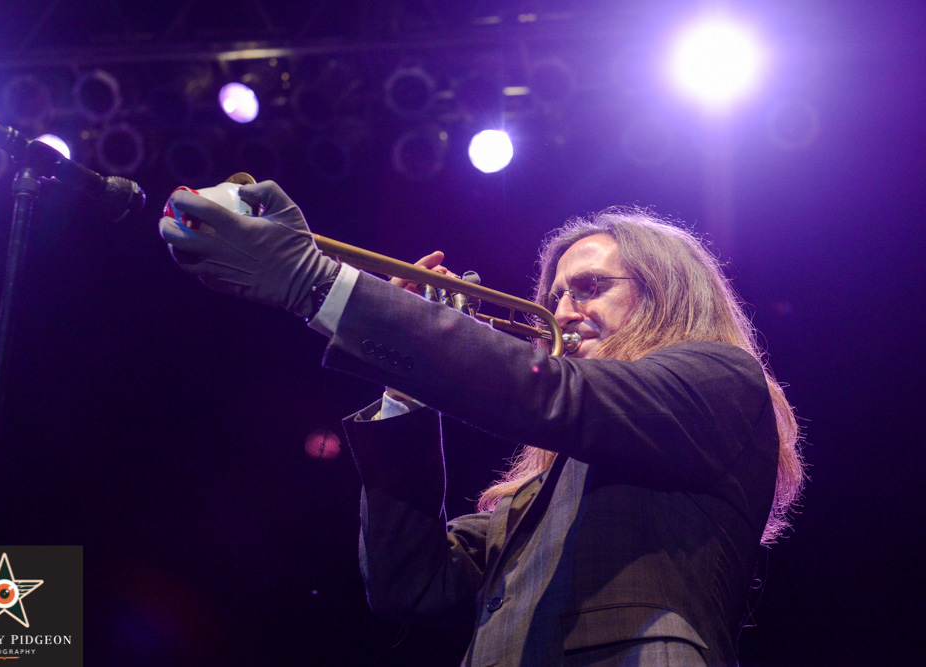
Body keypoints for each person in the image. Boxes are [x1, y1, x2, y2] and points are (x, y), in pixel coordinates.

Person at [159, 181, 804, 666]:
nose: (560, 310)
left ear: (665, 291)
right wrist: (404, 386)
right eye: (555, 295)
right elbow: (410, 586)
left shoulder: (720, 381)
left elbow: (554, 395)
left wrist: (317, 283)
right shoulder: (542, 489)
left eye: (589, 287)